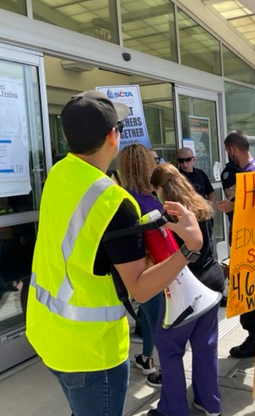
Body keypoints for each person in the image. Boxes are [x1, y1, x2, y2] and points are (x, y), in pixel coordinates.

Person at [26, 90, 203, 416]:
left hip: (48, 334)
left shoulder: (58, 173)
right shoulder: (114, 202)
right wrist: (190, 246)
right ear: (113, 136)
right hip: (92, 351)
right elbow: (139, 286)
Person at [148, 163, 225, 416]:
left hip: (186, 291)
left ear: (160, 189)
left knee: (169, 348)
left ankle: (173, 409)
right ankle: (210, 402)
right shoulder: (200, 204)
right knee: (205, 347)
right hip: (212, 284)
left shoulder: (169, 215)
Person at [217, 129, 255, 358]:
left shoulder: (251, 173)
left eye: (227, 150)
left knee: (249, 288)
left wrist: (233, 207)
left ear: (232, 150)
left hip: (250, 243)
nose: (227, 155)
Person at [118, 143, 164, 388]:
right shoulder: (155, 199)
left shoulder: (123, 200)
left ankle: (156, 364)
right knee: (153, 319)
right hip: (160, 268)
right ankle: (153, 362)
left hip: (136, 270)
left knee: (150, 319)